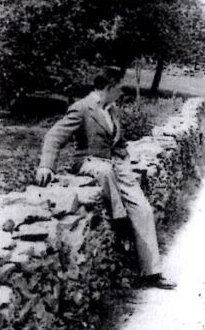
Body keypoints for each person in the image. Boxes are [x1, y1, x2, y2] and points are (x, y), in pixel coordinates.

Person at [35, 66, 176, 290]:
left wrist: (124, 159)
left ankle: (152, 273)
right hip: (89, 162)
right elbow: (53, 136)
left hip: (117, 165)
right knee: (104, 172)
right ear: (109, 87)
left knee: (144, 210)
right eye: (120, 87)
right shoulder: (81, 109)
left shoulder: (111, 109)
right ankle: (120, 223)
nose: (123, 91)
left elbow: (117, 142)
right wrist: (46, 166)